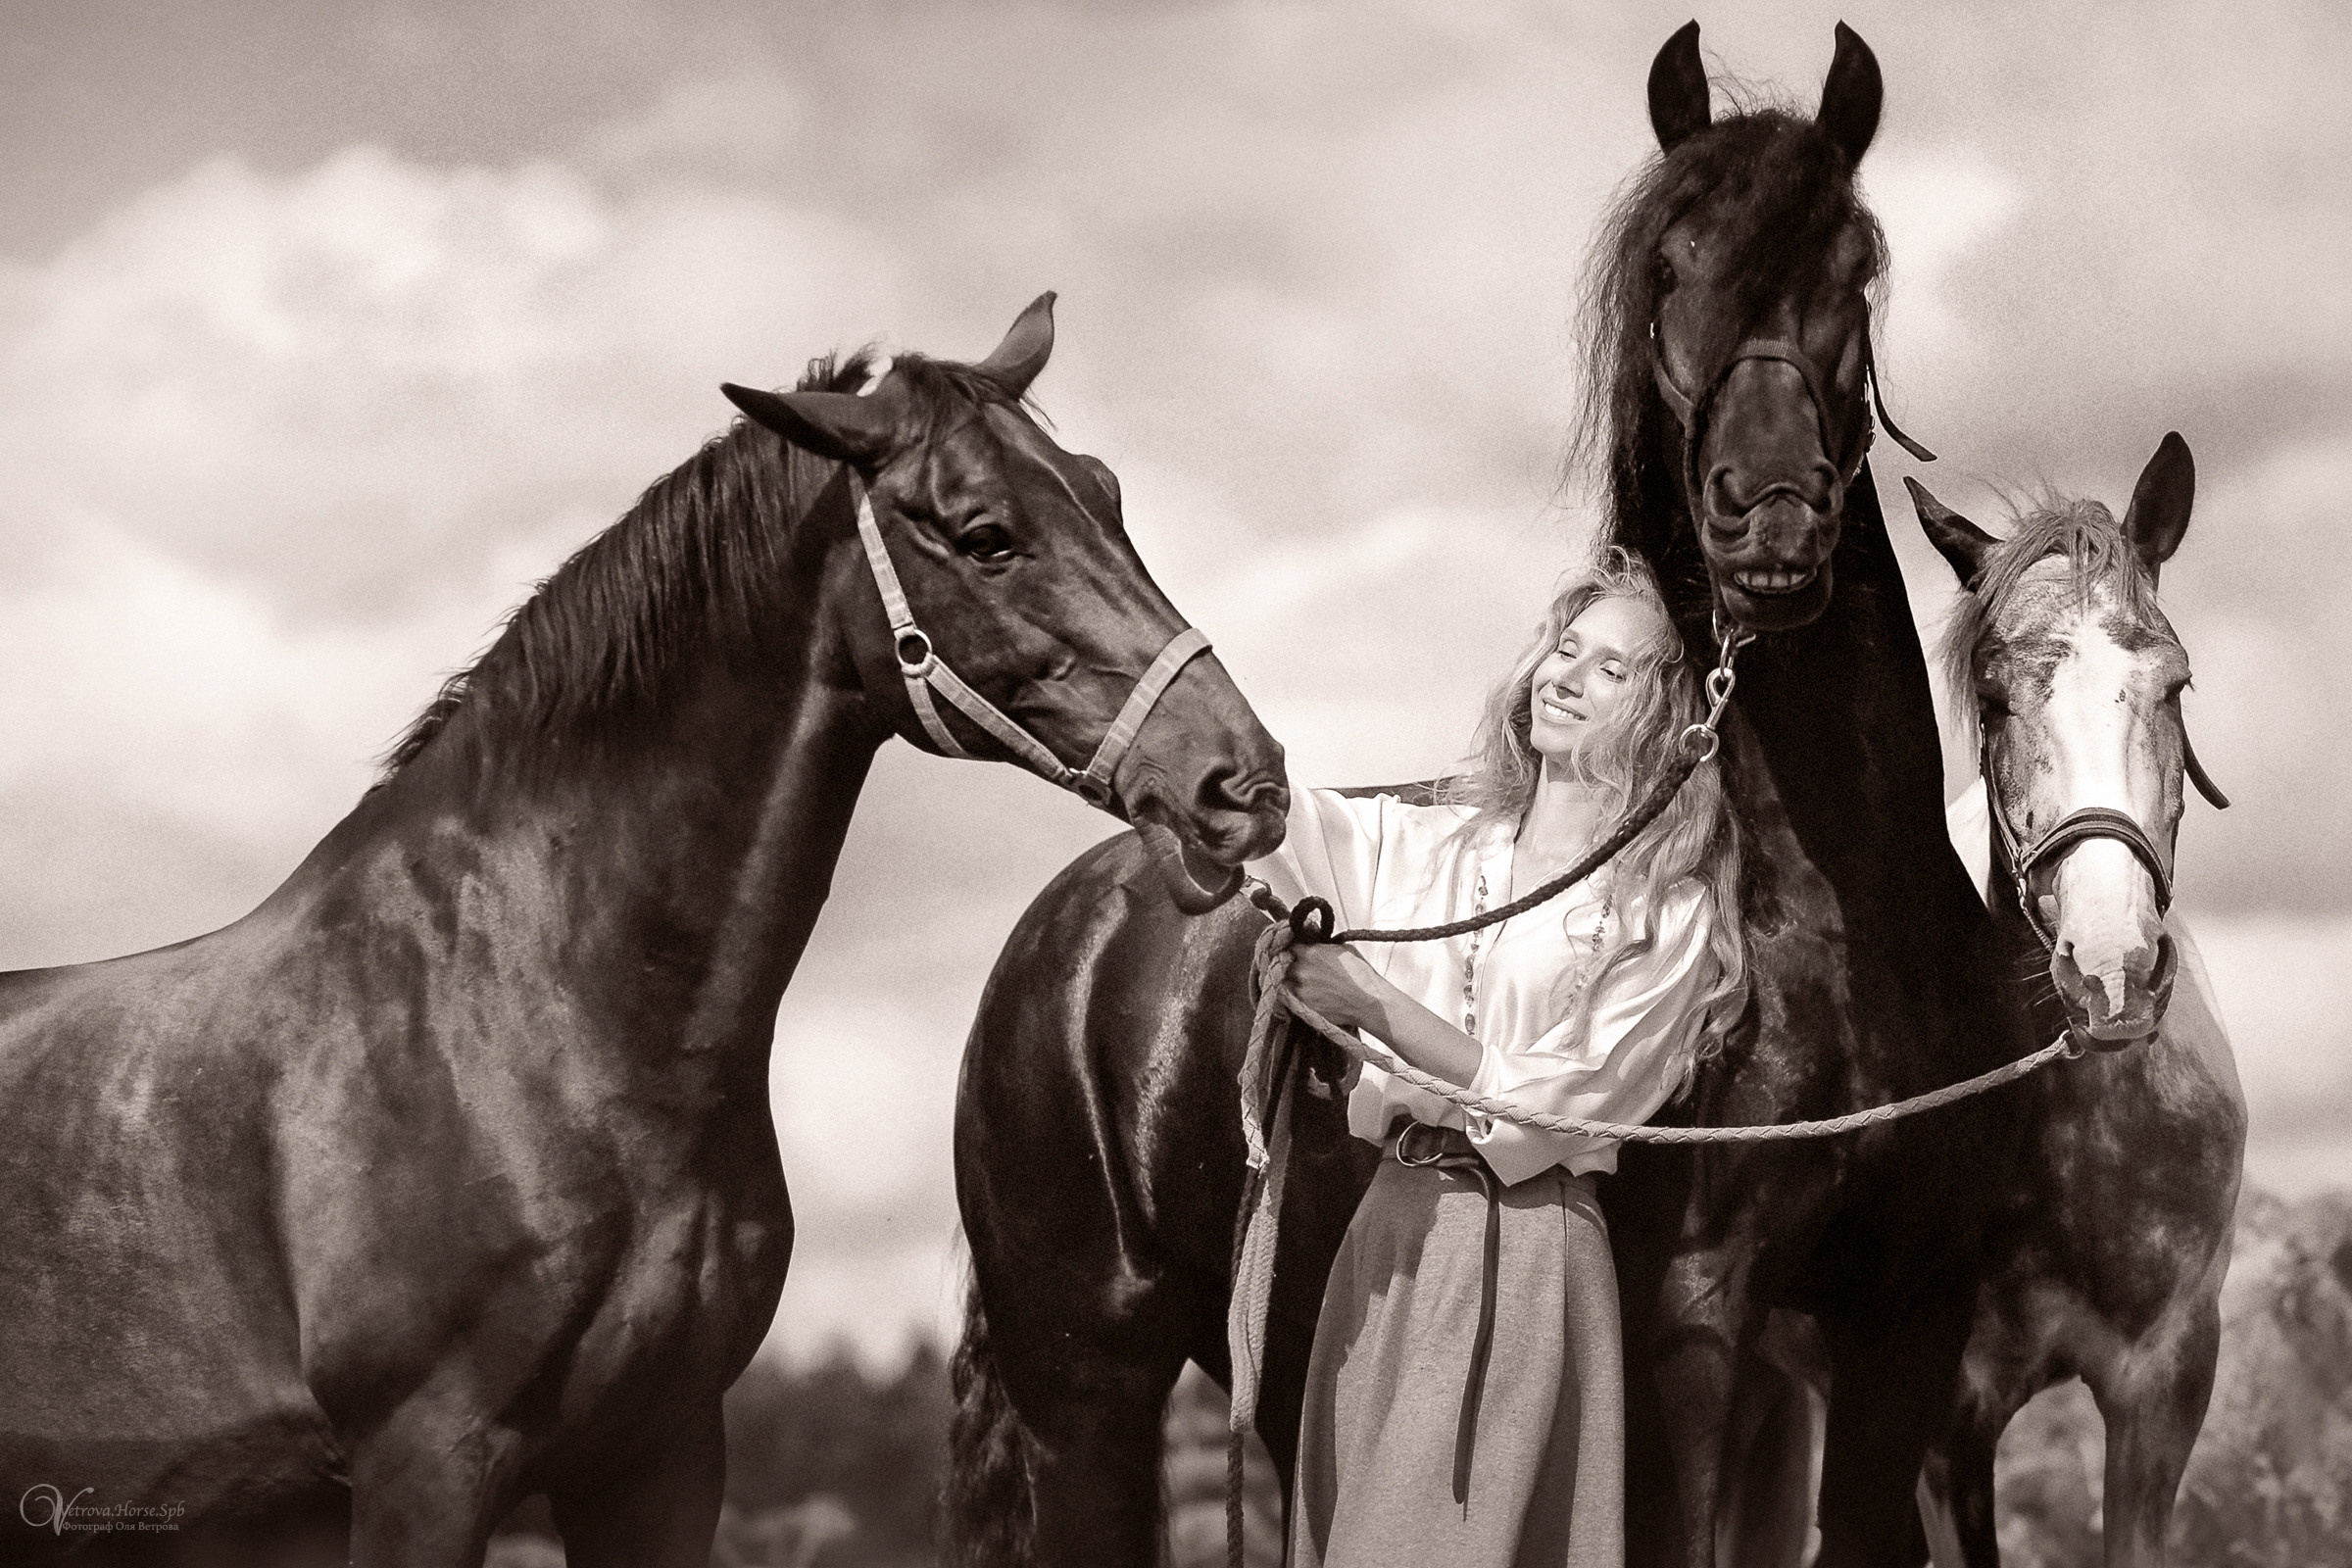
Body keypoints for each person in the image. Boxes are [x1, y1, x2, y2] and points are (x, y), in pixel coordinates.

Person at [1253, 546, 1747, 1567]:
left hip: (1524, 1249)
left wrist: (1373, 1004)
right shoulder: (1429, 844)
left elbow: (1559, 1109)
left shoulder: (1669, 916)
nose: (1565, 676)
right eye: (1565, 649)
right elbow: (1264, 814)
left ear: (1666, 717)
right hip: (1388, 1230)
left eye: (1611, 668)